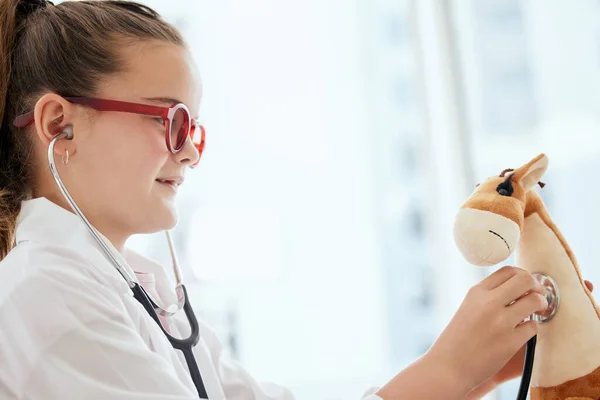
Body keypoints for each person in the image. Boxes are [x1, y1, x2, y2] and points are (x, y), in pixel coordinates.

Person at [0, 1, 593, 399]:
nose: (189, 153)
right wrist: (448, 368)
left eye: (195, 130)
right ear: (60, 125)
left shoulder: (137, 291)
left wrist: (459, 375)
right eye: (171, 120)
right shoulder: (43, 295)